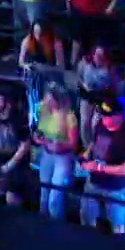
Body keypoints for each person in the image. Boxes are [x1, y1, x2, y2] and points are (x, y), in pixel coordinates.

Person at [80, 100, 125, 234]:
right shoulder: (100, 125)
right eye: (103, 115)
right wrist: (86, 154)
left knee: (117, 228)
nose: (104, 119)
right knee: (86, 220)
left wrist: (99, 168)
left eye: (108, 116)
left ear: (119, 116)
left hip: (116, 189)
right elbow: (94, 142)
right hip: (93, 183)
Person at [33, 84, 81, 221]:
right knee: (44, 193)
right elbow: (38, 131)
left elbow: (73, 143)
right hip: (46, 154)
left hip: (63, 159)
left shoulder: (70, 117)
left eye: (50, 100)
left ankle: (57, 226)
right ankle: (41, 224)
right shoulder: (43, 109)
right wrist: (38, 138)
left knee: (55, 198)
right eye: (46, 99)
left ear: (58, 100)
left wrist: (59, 146)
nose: (46, 102)